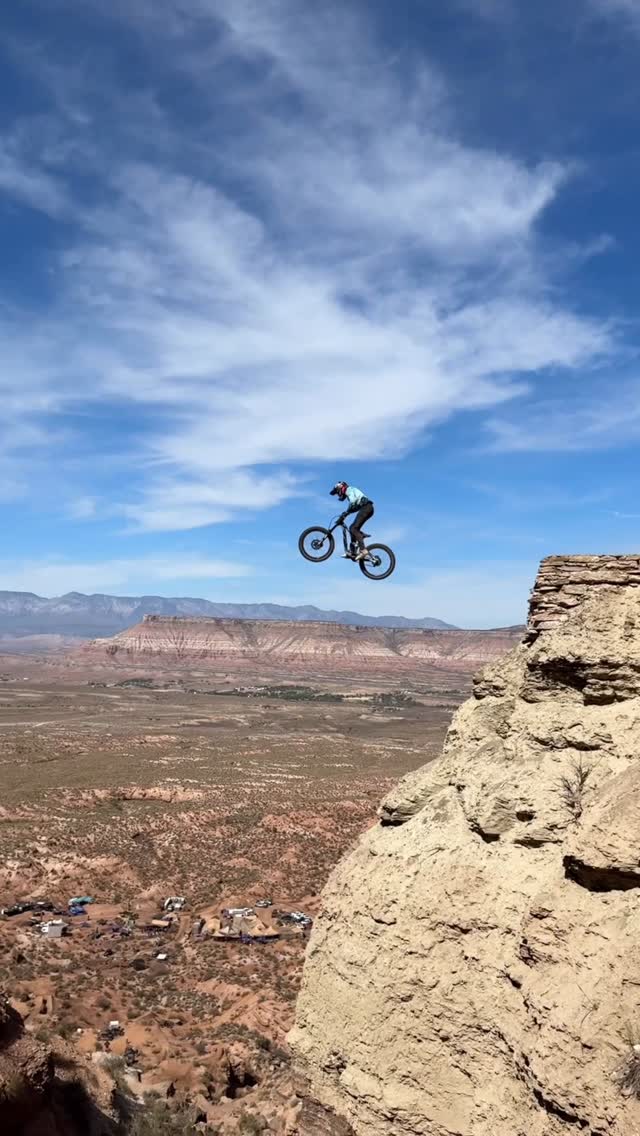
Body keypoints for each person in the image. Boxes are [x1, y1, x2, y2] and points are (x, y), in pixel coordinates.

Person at [330, 481, 374, 559]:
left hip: (366, 508)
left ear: (340, 488)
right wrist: (345, 514)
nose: (338, 495)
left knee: (353, 529)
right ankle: (353, 552)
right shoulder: (350, 492)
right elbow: (355, 507)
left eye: (337, 492)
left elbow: (353, 502)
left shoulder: (349, 489)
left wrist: (346, 513)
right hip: (367, 508)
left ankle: (363, 550)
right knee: (352, 528)